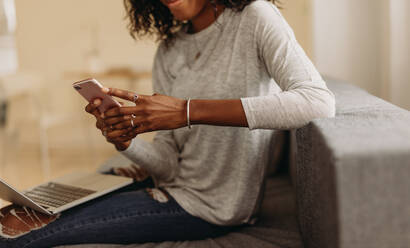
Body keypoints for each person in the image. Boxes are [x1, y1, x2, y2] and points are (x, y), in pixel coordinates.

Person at [0, 0, 335, 247]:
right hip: (168, 185)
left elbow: (317, 102)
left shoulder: (255, 18)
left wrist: (187, 110)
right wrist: (125, 141)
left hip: (208, 207)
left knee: (22, 237)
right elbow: (168, 166)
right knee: (17, 213)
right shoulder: (169, 51)